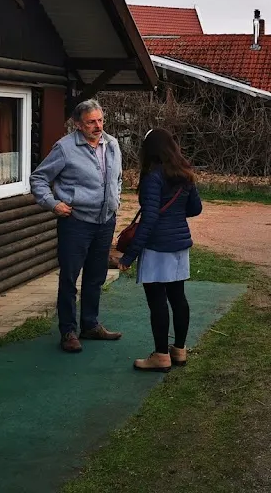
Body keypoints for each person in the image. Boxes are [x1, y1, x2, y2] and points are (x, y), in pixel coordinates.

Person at [30, 98, 123, 353]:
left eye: (100, 120)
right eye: (91, 122)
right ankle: (68, 331)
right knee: (70, 278)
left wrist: (116, 200)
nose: (98, 126)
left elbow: (117, 178)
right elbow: (38, 179)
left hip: (105, 222)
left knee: (96, 276)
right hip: (76, 223)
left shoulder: (113, 144)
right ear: (78, 124)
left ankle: (90, 325)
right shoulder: (65, 148)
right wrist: (53, 204)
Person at [118, 128, 202, 372]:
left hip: (157, 247)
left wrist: (129, 255)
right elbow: (195, 209)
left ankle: (161, 356)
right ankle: (180, 350)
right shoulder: (185, 175)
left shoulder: (152, 177)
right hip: (179, 246)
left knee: (157, 301)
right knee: (178, 297)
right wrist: (175, 214)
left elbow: (150, 219)